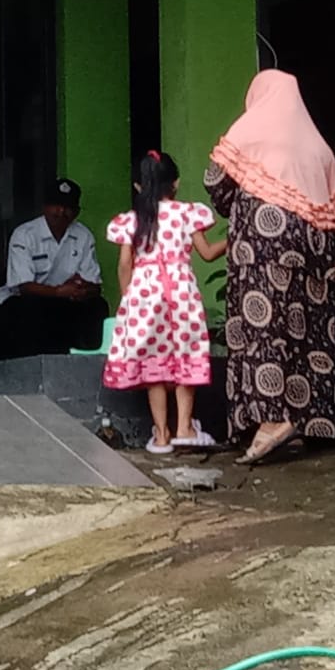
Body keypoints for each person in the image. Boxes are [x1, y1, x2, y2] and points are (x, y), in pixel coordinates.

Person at [206, 69, 335, 465]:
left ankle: (271, 420)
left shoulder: (250, 129)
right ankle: (314, 425)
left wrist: (242, 202)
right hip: (314, 250)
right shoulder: (318, 146)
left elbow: (216, 182)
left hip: (262, 246)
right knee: (309, 333)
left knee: (263, 329)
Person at [103, 151, 225, 453]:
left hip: (144, 295)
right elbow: (208, 253)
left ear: (138, 186)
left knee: (153, 363)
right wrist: (238, 237)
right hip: (181, 292)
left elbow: (125, 264)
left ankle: (161, 434)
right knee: (186, 354)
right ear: (176, 183)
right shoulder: (187, 214)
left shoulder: (132, 220)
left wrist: (127, 297)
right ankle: (185, 427)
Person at [0, 177, 109, 356]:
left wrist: (83, 290)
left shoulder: (83, 235)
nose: (61, 212)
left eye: (67, 207)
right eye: (56, 205)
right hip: (28, 298)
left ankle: (89, 364)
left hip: (66, 299)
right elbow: (24, 287)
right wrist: (58, 292)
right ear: (44, 207)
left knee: (97, 305)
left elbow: (95, 285)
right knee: (28, 309)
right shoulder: (24, 234)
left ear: (77, 212)